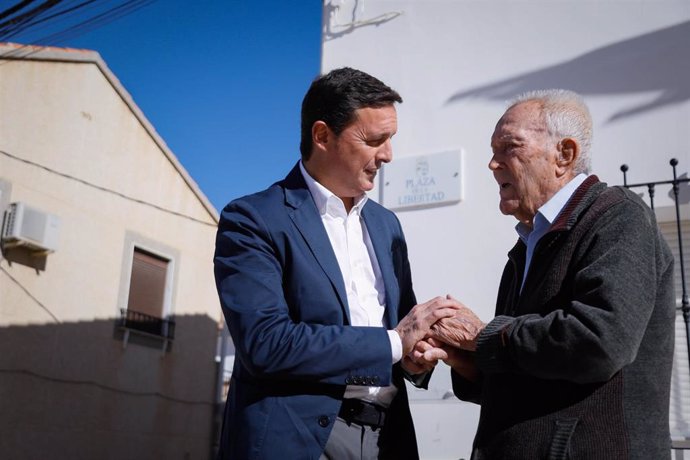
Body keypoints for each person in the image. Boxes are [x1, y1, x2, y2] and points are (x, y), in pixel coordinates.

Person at [213, 67, 459, 460]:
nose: (388, 155)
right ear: (322, 135)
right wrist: (395, 342)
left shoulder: (386, 225)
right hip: (296, 441)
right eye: (374, 140)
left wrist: (415, 357)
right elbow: (265, 343)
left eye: (391, 139)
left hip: (389, 439)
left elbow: (400, 332)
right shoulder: (253, 219)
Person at [417, 89, 675, 459]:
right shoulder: (527, 245)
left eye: (510, 147)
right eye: (492, 152)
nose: (493, 164)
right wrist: (467, 361)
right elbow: (531, 373)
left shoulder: (619, 216)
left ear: (564, 155)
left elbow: (599, 342)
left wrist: (484, 335)